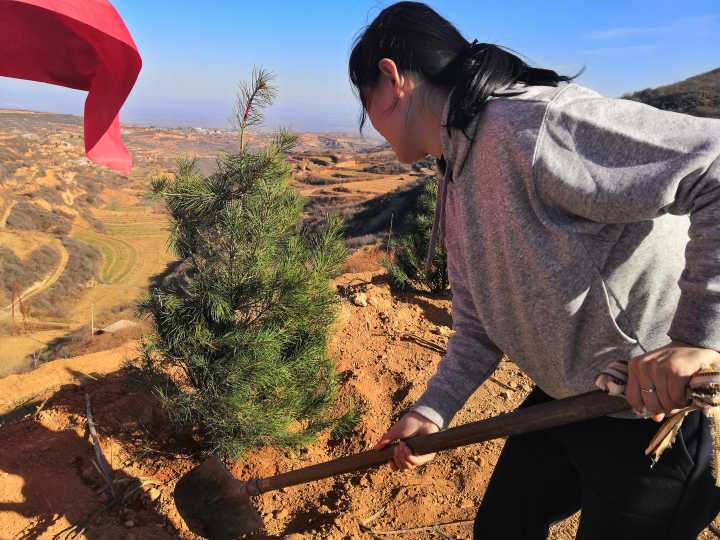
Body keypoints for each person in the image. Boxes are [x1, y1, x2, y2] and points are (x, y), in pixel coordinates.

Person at [348, 2, 720, 539]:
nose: (369, 124)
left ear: (391, 79)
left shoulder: (534, 128)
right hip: (567, 397)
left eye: (364, 102)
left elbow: (714, 163)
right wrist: (432, 411)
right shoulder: (458, 166)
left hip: (648, 414)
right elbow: (478, 324)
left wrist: (695, 339)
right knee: (503, 527)